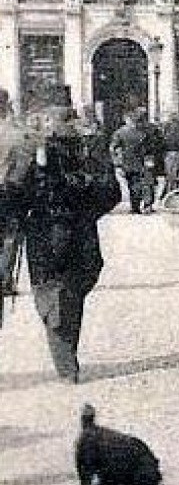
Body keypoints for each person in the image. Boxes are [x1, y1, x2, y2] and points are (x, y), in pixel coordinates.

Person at [27, 100, 121, 383]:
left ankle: (66, 359)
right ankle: (67, 362)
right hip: (74, 233)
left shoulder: (78, 150)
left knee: (58, 295)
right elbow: (110, 193)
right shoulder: (88, 149)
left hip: (51, 234)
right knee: (66, 296)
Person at [0, 90, 36, 308]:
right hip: (8, 191)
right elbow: (25, 168)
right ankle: (4, 280)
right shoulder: (18, 134)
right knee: (9, 238)